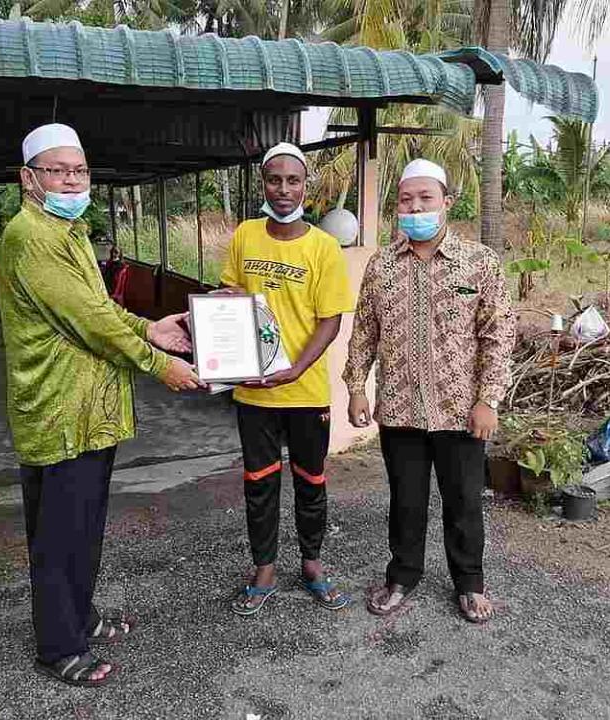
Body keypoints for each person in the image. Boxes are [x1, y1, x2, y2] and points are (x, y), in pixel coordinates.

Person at [0, 123, 204, 687]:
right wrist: (161, 363)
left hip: (92, 413)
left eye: (80, 170)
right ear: (28, 179)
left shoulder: (69, 233)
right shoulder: (32, 237)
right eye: (58, 170)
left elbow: (100, 309)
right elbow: (90, 324)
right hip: (61, 413)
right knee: (61, 533)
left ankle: (80, 618)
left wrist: (150, 327)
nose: (71, 179)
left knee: (83, 526)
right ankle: (58, 646)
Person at [343, 159, 515, 624]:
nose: (414, 206)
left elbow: (498, 334)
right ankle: (402, 575)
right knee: (405, 501)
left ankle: (469, 584)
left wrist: (489, 399)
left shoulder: (480, 263)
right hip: (399, 409)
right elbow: (364, 333)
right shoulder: (381, 266)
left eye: (425, 198)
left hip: (461, 412)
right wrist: (357, 388)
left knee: (463, 501)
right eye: (405, 199)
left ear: (446, 203)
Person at [219, 142, 354, 616]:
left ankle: (313, 565)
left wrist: (296, 369)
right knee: (258, 482)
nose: (282, 189)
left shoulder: (323, 248)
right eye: (274, 180)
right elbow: (233, 298)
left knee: (310, 480)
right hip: (253, 391)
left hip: (304, 390)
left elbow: (330, 320)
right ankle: (264, 570)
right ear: (263, 184)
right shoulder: (245, 236)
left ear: (305, 185)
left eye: (292, 180)